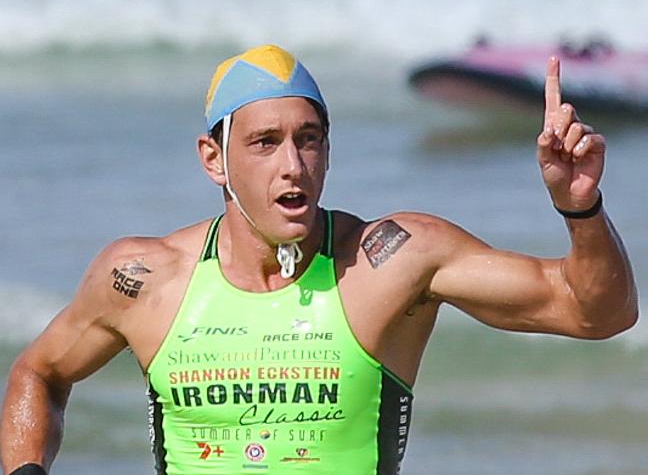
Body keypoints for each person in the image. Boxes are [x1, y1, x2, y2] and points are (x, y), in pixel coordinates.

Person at [0, 44, 638, 475]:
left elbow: (596, 313)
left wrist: (579, 207)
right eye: (265, 143)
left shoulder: (393, 260)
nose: (292, 165)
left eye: (309, 141)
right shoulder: (146, 278)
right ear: (213, 159)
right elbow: (39, 373)